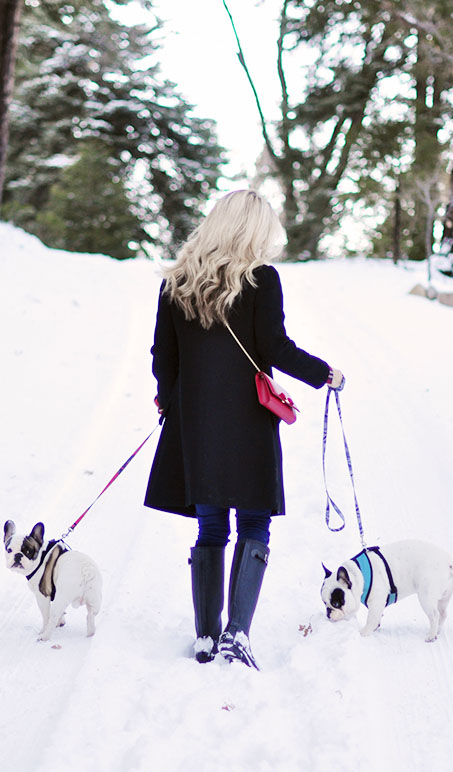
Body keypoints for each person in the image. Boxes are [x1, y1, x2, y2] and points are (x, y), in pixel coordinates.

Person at [144, 190, 344, 669]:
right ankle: (238, 633)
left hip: (196, 422)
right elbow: (274, 346)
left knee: (211, 525)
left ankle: (206, 638)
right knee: (253, 521)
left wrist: (173, 405)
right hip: (249, 421)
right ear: (252, 230)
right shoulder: (261, 280)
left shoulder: (178, 283)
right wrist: (325, 374)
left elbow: (162, 357)